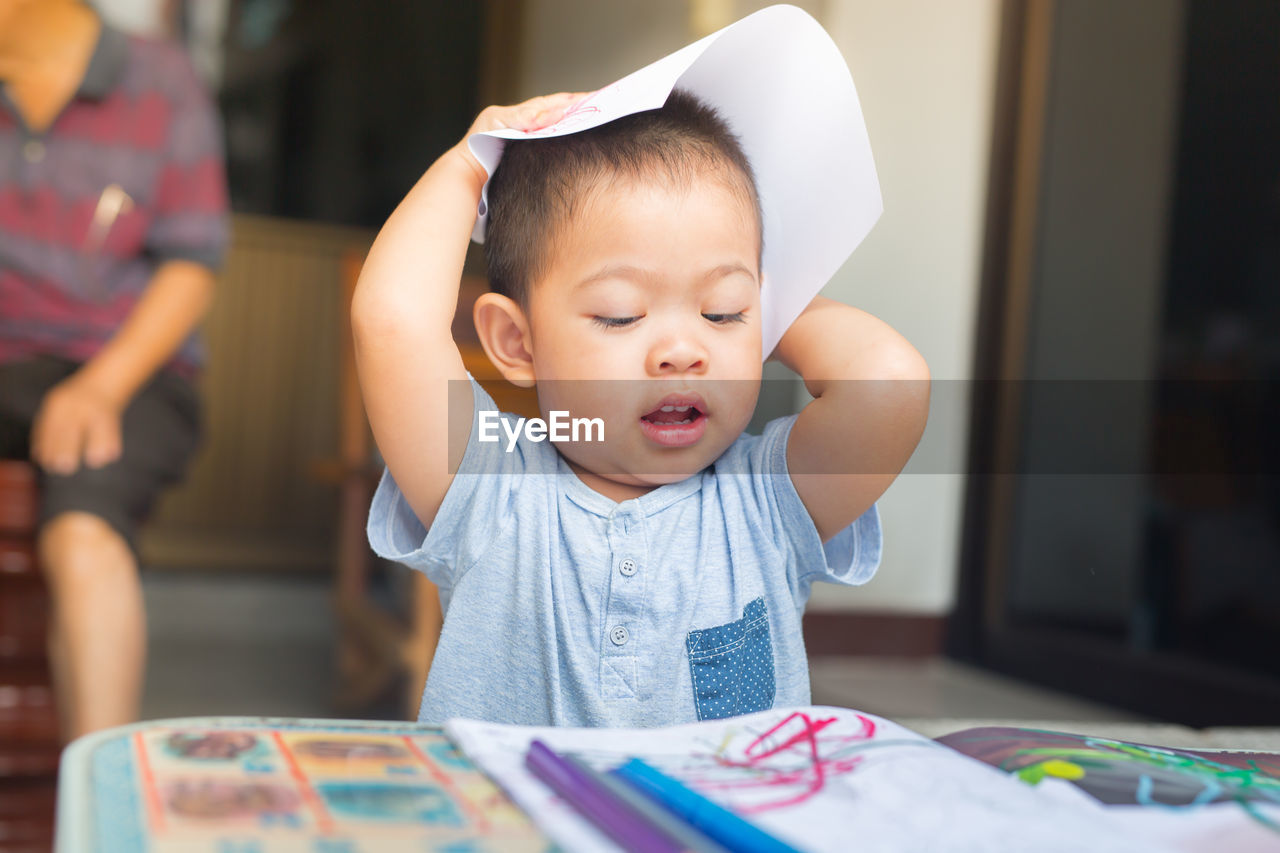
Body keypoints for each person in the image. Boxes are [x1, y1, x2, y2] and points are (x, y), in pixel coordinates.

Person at [355, 87, 928, 727]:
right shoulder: (489, 485)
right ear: (519, 343)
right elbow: (393, 325)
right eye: (622, 315)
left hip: (716, 828)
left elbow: (889, 379)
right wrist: (467, 166)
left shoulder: (768, 501)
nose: (683, 350)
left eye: (721, 312)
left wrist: (763, 312)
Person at [0, 0, 228, 738]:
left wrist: (102, 384)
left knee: (84, 529)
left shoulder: (162, 80)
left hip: (126, 364)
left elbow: (192, 263)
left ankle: (96, 808)